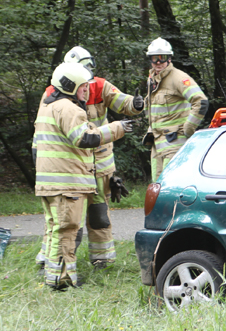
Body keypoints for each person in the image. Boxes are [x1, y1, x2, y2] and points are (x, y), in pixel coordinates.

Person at [35, 46, 144, 269]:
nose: (87, 84)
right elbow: (47, 132)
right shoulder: (53, 97)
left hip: (99, 164)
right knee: (65, 219)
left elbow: (122, 101)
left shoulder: (99, 86)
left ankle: (101, 259)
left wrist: (135, 104)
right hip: (71, 167)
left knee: (98, 214)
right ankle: (56, 262)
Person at [143, 38, 208, 181]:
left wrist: (189, 129)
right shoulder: (152, 79)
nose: (158, 62)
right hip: (157, 144)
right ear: (150, 59)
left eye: (162, 58)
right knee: (157, 189)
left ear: (169, 58)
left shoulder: (179, 78)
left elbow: (201, 101)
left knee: (170, 185)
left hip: (174, 143)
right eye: (155, 58)